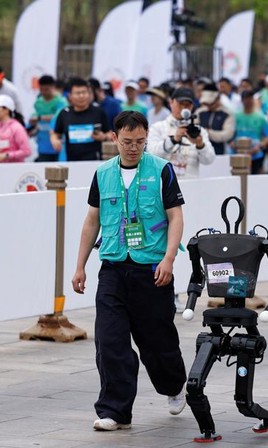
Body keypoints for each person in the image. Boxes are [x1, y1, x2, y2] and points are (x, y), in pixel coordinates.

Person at [71, 110, 187, 432]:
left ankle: (174, 385)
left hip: (151, 269)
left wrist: (168, 259)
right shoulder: (103, 173)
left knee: (157, 342)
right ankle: (115, 410)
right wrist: (80, 266)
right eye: (127, 142)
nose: (133, 148)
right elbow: (91, 221)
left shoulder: (161, 170)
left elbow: (175, 217)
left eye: (139, 141)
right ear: (114, 139)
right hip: (113, 267)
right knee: (110, 341)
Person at [147, 87, 215, 178]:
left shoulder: (199, 131)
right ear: (171, 103)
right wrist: (173, 140)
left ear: (192, 106)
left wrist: (200, 145)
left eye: (187, 105)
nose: (183, 108)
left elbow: (209, 160)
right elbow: (151, 155)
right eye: (180, 103)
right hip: (165, 183)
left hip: (190, 183)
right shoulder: (157, 127)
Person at [51, 77, 111, 161]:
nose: (81, 96)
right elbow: (55, 134)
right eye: (78, 93)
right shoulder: (64, 113)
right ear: (70, 96)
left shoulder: (99, 112)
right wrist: (55, 141)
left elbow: (110, 134)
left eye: (84, 92)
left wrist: (104, 137)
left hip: (95, 161)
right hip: (72, 161)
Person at [231, 90, 268, 174]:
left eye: (250, 99)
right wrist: (231, 143)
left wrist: (260, 145)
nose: (248, 101)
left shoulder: (260, 117)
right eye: (246, 99)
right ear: (242, 100)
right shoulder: (236, 116)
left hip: (255, 155)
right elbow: (231, 134)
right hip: (238, 154)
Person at [31, 75, 67, 162]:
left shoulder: (61, 101)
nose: (44, 92)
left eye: (46, 89)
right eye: (41, 89)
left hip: (58, 142)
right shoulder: (38, 102)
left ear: (53, 87)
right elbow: (35, 115)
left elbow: (59, 117)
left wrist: (40, 118)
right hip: (43, 143)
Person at [195, 83, 235, 155]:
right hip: (200, 152)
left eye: (211, 103)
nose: (209, 105)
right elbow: (194, 128)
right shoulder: (199, 112)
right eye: (206, 103)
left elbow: (227, 134)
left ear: (218, 98)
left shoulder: (227, 114)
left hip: (220, 153)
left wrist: (208, 133)